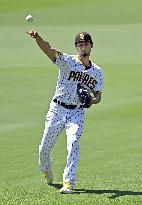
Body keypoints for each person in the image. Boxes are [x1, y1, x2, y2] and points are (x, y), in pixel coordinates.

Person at [27, 30, 103, 194]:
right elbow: (49, 50)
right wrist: (37, 38)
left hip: (76, 113)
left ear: (91, 46)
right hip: (57, 109)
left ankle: (68, 182)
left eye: (86, 44)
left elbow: (98, 95)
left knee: (73, 143)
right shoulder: (67, 61)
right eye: (80, 44)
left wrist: (91, 100)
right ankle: (46, 169)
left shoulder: (97, 72)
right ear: (76, 47)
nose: (83, 47)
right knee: (44, 149)